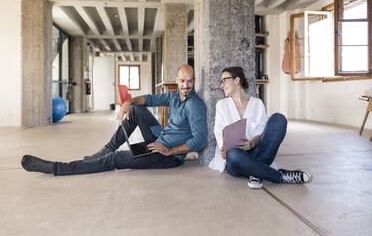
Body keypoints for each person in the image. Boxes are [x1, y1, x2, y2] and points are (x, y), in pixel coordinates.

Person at [22, 65, 207, 176]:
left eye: (190, 81)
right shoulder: (174, 96)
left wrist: (170, 150)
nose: (186, 85)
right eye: (182, 81)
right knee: (135, 110)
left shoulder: (195, 105)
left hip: (168, 156)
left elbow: (199, 141)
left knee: (115, 160)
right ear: (177, 80)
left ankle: (56, 168)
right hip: (158, 141)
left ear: (194, 80)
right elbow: (149, 99)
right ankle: (106, 148)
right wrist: (128, 101)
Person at [209, 66, 312, 189]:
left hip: (257, 152)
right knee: (234, 154)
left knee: (279, 118)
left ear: (236, 80)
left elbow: (263, 133)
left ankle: (256, 173)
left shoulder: (257, 104)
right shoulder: (222, 105)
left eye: (224, 80)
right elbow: (219, 133)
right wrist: (223, 148)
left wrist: (252, 143)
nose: (222, 85)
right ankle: (280, 176)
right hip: (236, 158)